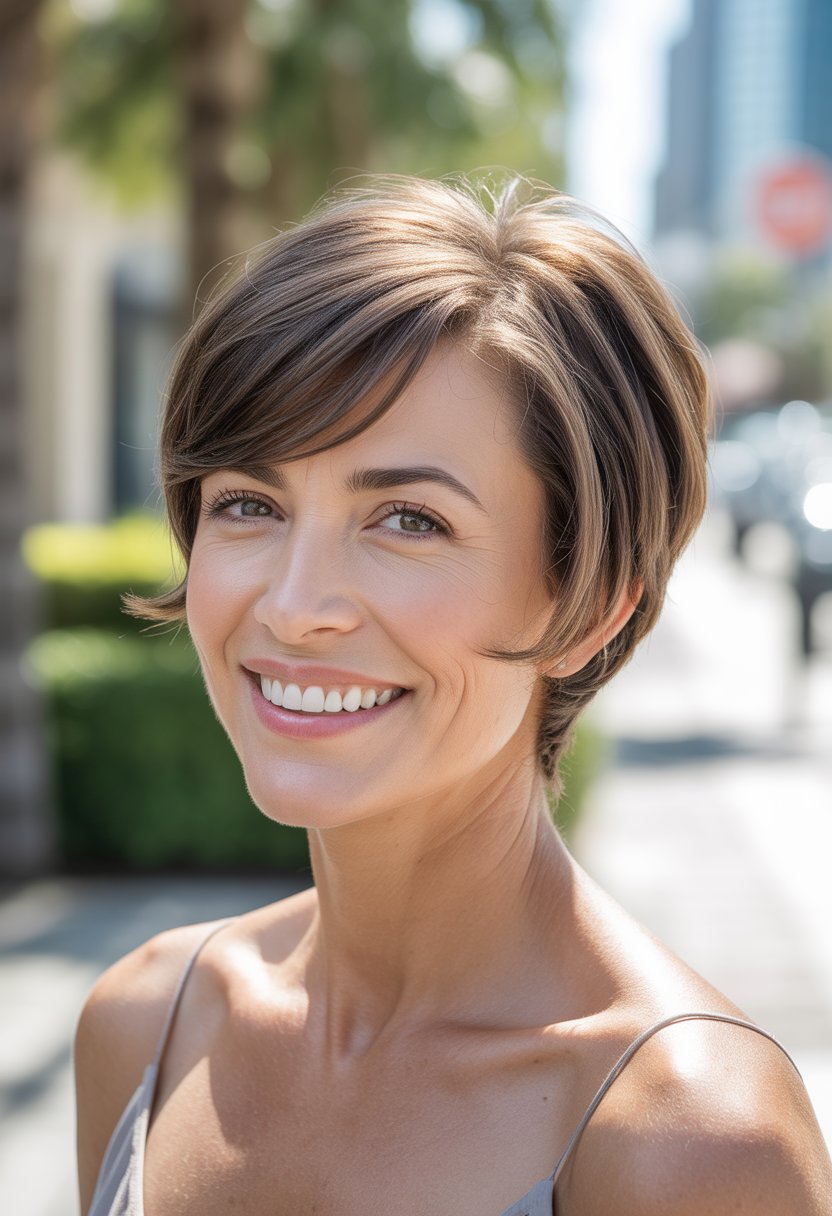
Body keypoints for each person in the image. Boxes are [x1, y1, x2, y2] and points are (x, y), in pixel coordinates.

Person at [74, 175, 832, 1216]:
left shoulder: (685, 1140)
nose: (295, 608)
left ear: (592, 601)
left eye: (408, 521)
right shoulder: (144, 1025)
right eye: (248, 502)